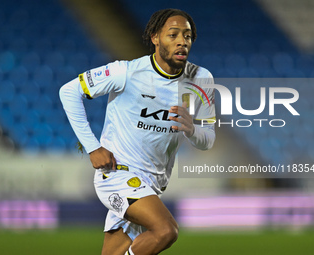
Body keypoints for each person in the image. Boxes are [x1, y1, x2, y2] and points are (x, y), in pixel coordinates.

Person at [59, 8, 216, 255]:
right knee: (166, 231)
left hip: (152, 184)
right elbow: (69, 92)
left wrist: (191, 128)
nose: (181, 42)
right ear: (155, 38)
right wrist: (92, 147)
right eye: (173, 34)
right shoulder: (128, 72)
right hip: (117, 174)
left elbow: (207, 139)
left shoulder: (201, 78)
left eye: (187, 36)